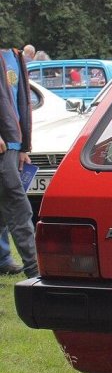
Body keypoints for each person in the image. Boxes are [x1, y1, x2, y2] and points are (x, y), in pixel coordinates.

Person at [0, 47, 37, 277]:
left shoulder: (15, 56)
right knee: (17, 205)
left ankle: (3, 259)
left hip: (12, 145)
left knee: (7, 205)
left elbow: (21, 102)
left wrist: (23, 146)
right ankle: (35, 267)